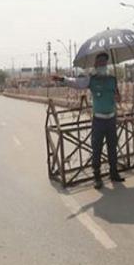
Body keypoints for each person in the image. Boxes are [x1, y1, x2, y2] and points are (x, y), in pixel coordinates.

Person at [52, 52, 124, 189]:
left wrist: (117, 98)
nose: (102, 65)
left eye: (104, 62)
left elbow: (118, 98)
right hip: (98, 120)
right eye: (100, 63)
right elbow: (76, 83)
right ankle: (97, 177)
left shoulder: (112, 79)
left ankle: (114, 173)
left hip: (111, 119)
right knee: (96, 148)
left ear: (107, 64)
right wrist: (62, 79)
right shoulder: (91, 80)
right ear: (96, 65)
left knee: (112, 147)